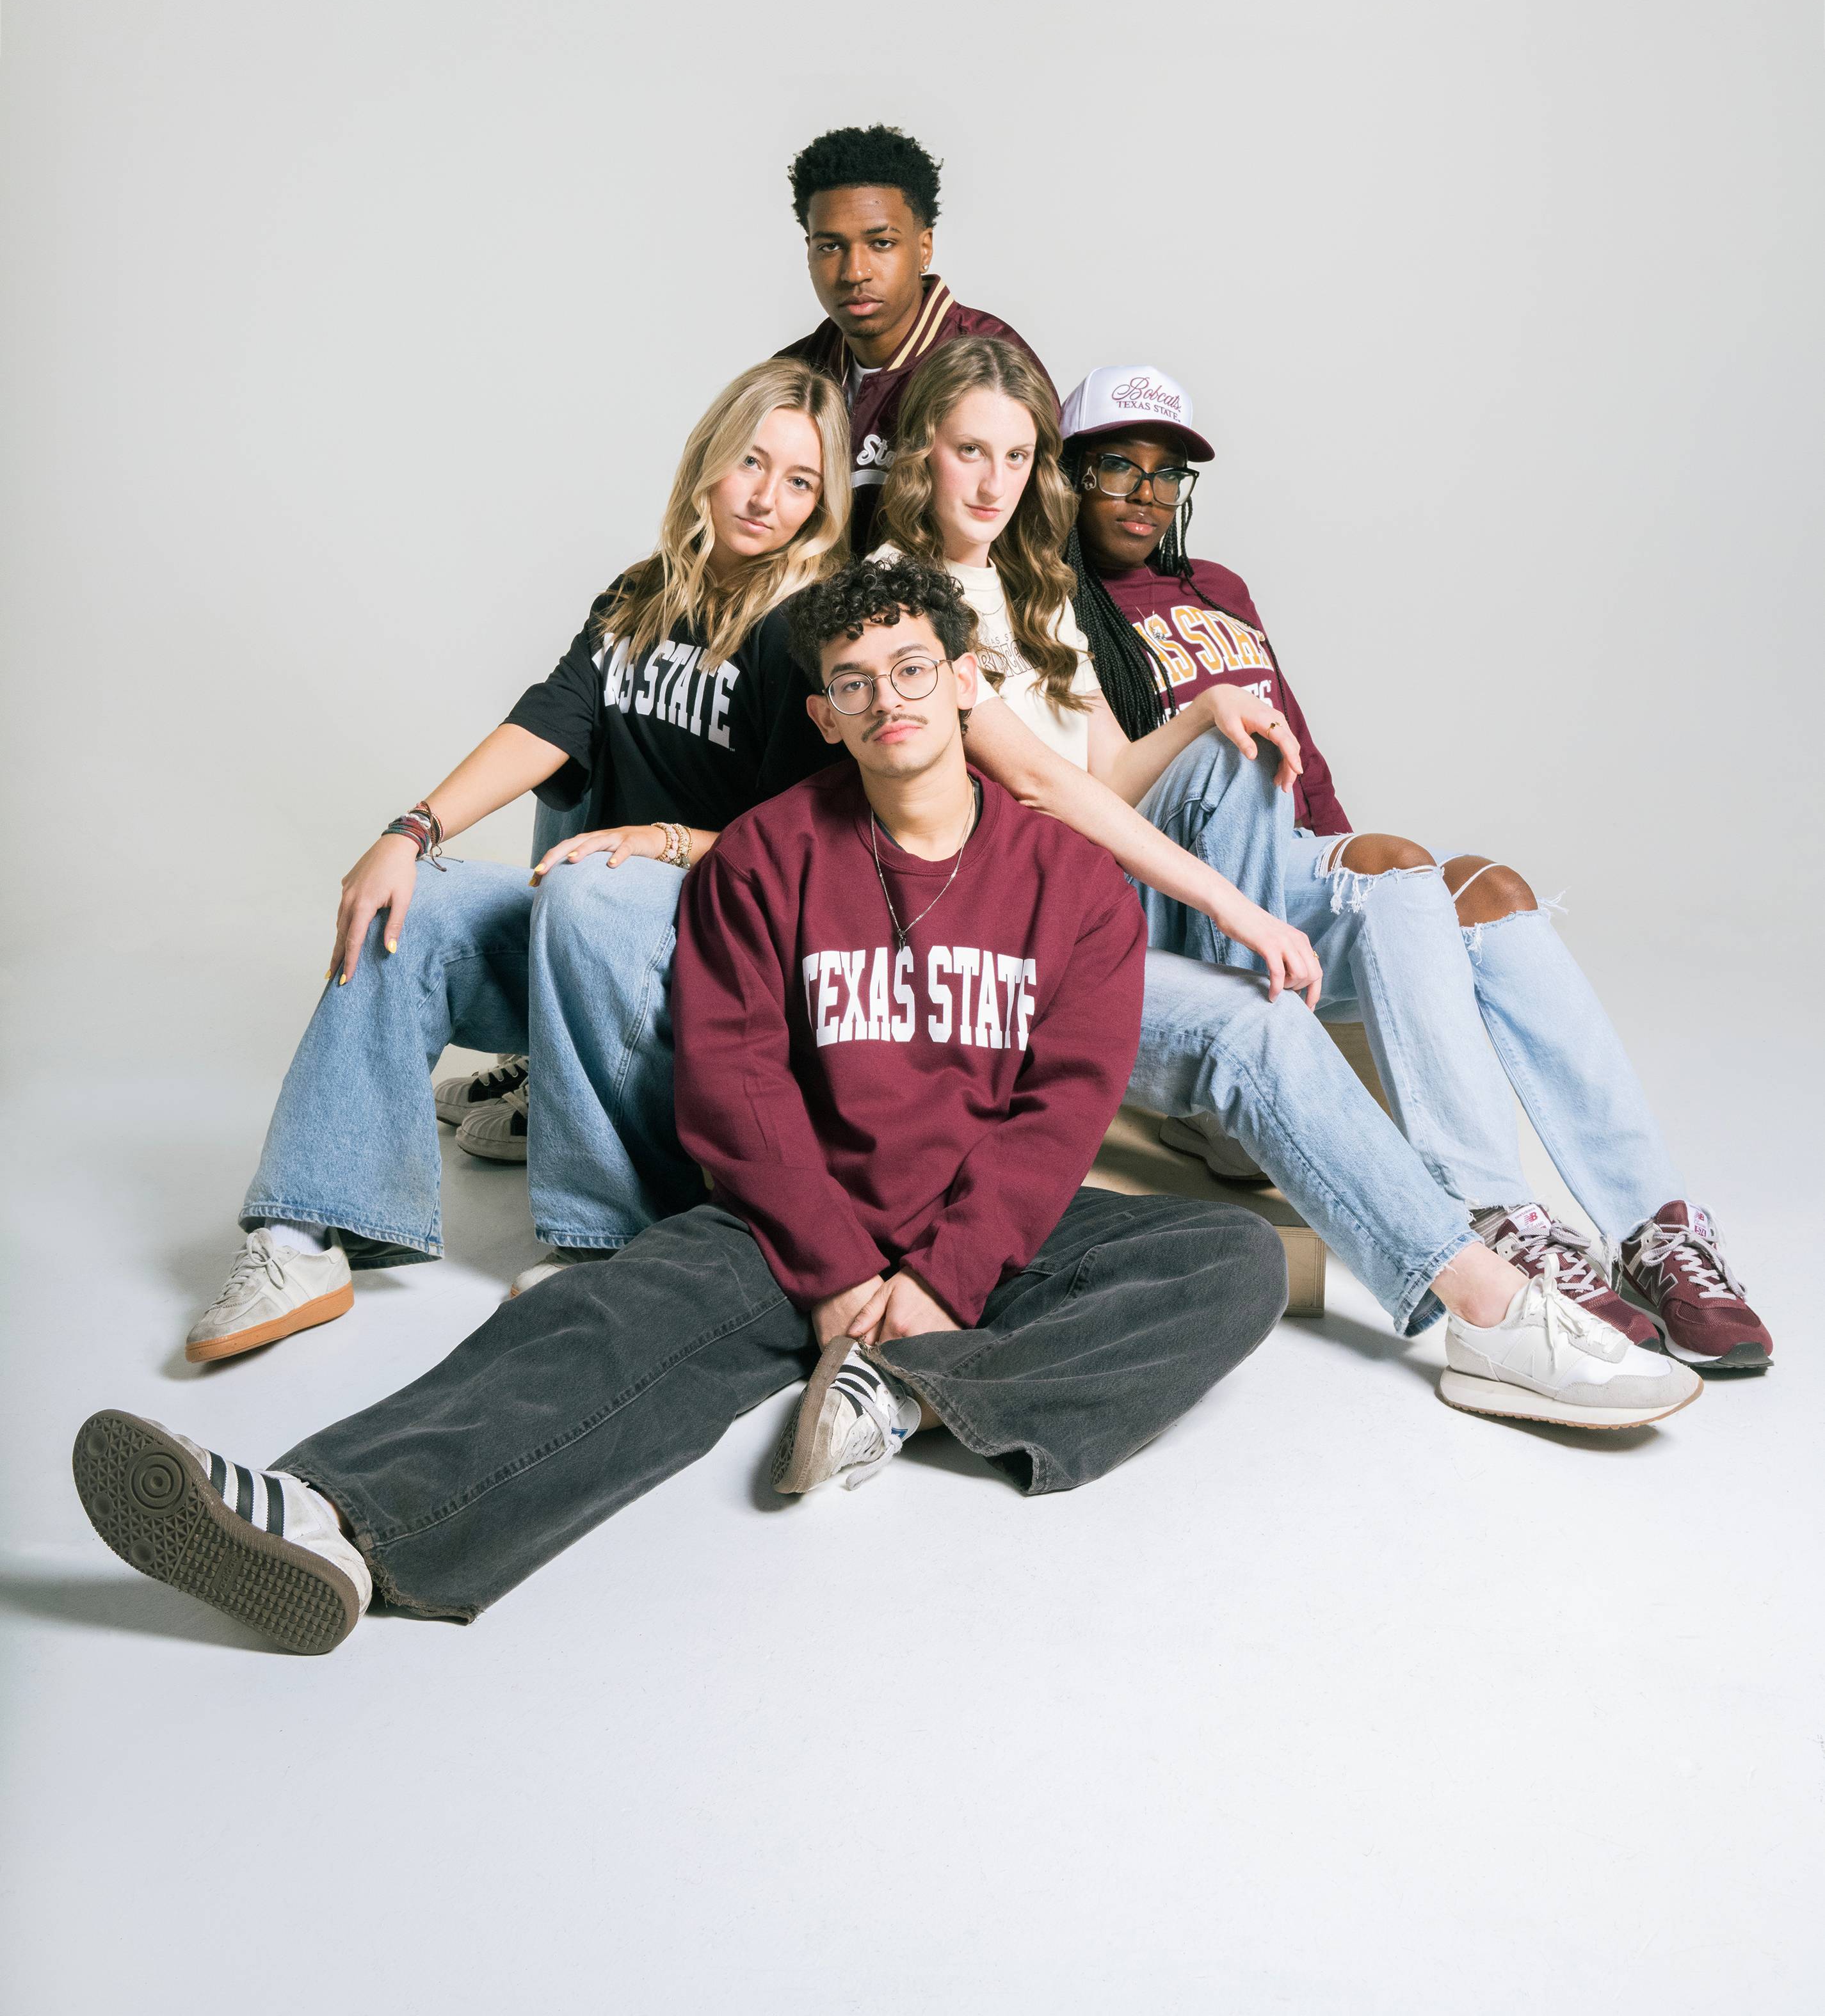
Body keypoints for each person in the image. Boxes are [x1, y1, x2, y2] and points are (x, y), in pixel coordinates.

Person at [70, 563, 1288, 1656]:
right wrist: (827, 1270)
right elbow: (734, 1084)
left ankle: (904, 1389)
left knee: (1230, 1261)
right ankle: (334, 1518)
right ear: (822, 716)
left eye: (914, 668)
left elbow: (1060, 1108)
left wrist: (939, 1282)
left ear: (969, 680)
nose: (889, 701)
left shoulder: (1074, 883)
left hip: (985, 1230)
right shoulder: (767, 854)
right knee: (592, 1324)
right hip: (790, 1223)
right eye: (853, 686)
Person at [869, 336, 1707, 1427]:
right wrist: (1235, 905)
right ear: (919, 454)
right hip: (1007, 956)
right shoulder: (899, 600)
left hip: (1098, 921)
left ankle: (1533, 1270)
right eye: (967, 451)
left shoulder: (1033, 590)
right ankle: (1494, 1315)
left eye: (1015, 457)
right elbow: (1036, 784)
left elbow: (1109, 773)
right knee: (1250, 1021)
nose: (991, 482)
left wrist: (1205, 712)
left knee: (1260, 833)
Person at [1056, 361, 1773, 1379]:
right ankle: (1482, 1207)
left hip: (1281, 863)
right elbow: (1098, 792)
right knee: (1240, 750)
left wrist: (1360, 871)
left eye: (1166, 475)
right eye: (1115, 469)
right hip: (1176, 895)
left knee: (1475, 887)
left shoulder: (1219, 589)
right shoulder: (1056, 602)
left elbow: (1303, 756)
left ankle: (1647, 1228)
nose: (1144, 495)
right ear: (1068, 476)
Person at [180, 358, 851, 1365]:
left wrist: (660, 843)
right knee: (423, 899)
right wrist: (409, 831)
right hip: (593, 943)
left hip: (718, 973)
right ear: (708, 460)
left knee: (589, 881)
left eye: (799, 481)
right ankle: (306, 1230)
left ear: (824, 503)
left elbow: (813, 844)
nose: (766, 496)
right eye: (751, 462)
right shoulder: (640, 595)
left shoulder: (806, 631)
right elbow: (550, 720)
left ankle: (612, 1239)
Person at [774, 122, 1049, 546]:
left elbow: (1042, 537)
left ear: (924, 248)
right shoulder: (792, 373)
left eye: (881, 243)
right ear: (807, 251)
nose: (855, 272)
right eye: (830, 247)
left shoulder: (993, 363)